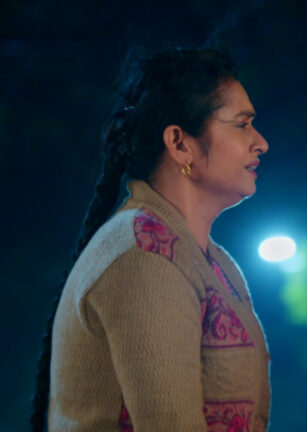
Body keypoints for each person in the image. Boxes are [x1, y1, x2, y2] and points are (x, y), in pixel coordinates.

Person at [30, 47, 271, 431]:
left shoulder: (215, 263)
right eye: (242, 125)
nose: (260, 143)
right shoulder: (144, 257)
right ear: (179, 143)